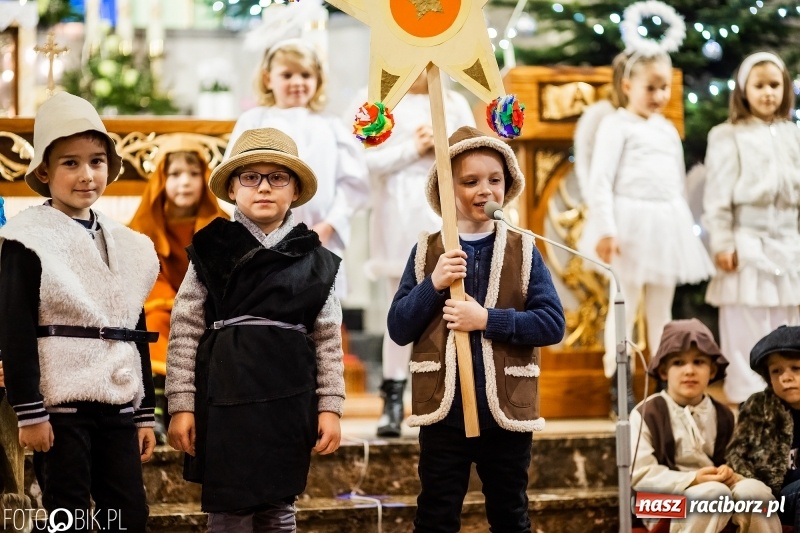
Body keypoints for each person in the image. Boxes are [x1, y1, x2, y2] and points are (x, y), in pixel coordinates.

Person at [387, 125, 566, 532]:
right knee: (435, 514)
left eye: (495, 180)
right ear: (445, 190)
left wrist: (487, 319)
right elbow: (398, 327)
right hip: (443, 412)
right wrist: (433, 284)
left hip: (505, 413)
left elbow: (552, 324)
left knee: (510, 515)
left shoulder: (523, 248)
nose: (485, 190)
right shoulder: (427, 251)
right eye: (470, 182)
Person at [166, 127, 345, 531]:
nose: (264, 187)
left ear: (295, 190)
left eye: (277, 177)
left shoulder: (316, 259)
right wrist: (181, 404)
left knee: (280, 506)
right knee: (229, 508)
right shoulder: (211, 247)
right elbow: (185, 328)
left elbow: (327, 339)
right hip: (224, 395)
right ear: (232, 188)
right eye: (250, 177)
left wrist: (330, 406)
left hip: (290, 397)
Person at [0, 92, 159, 531]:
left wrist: (144, 412)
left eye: (96, 161)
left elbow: (132, 322)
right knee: (67, 514)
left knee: (127, 514)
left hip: (118, 403)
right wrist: (29, 411)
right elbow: (14, 329)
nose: (86, 175)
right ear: (44, 171)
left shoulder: (127, 243)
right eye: (70, 163)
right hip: (61, 405)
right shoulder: (26, 239)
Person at [580, 50, 715, 415]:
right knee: (623, 306)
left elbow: (676, 183)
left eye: (664, 87)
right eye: (650, 88)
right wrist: (606, 229)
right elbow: (600, 181)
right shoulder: (616, 125)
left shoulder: (667, 129)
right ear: (627, 86)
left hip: (665, 225)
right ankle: (620, 384)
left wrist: (680, 227)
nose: (659, 95)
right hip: (628, 225)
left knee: (662, 309)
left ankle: (663, 386)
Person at [360, 70, 476, 437]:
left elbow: (472, 155)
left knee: (451, 304)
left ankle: (448, 394)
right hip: (398, 212)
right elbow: (363, 161)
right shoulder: (379, 106)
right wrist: (412, 148)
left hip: (443, 211)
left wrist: (443, 147)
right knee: (402, 306)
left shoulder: (453, 102)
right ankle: (393, 396)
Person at [226, 38, 369, 296]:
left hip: (319, 237)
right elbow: (232, 175)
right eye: (287, 74)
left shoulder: (331, 125)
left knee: (319, 304)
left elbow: (352, 184)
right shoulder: (254, 120)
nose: (297, 82)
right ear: (268, 78)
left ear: (318, 80)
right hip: (262, 239)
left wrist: (330, 225)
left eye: (305, 74)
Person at [703, 51, 800, 405]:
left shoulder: (793, 134)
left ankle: (788, 397)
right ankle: (749, 398)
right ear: (744, 90)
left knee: (788, 318)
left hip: (789, 242)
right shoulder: (727, 135)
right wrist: (722, 242)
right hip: (747, 241)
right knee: (748, 321)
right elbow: (717, 195)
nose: (768, 93)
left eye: (775, 85)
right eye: (759, 86)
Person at [630, 319, 779, 532]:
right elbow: (641, 475)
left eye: (699, 362)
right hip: (658, 500)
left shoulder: (725, 415)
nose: (689, 371)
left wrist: (730, 472)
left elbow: (739, 460)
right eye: (678, 363)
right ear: (663, 371)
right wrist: (693, 479)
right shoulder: (645, 413)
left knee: (755, 493)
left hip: (719, 491)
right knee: (712, 495)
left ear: (712, 370)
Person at [129, 136, 228, 443]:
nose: (184, 182)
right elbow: (145, 274)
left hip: (204, 307)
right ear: (161, 180)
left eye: (193, 174)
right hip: (161, 304)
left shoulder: (221, 225)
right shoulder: (144, 224)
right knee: (156, 323)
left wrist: (192, 305)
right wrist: (171, 303)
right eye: (174, 174)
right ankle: (156, 410)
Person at [727, 325, 800, 530]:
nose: (786, 377)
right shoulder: (758, 407)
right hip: (778, 497)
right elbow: (737, 457)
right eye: (776, 371)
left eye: (796, 368)